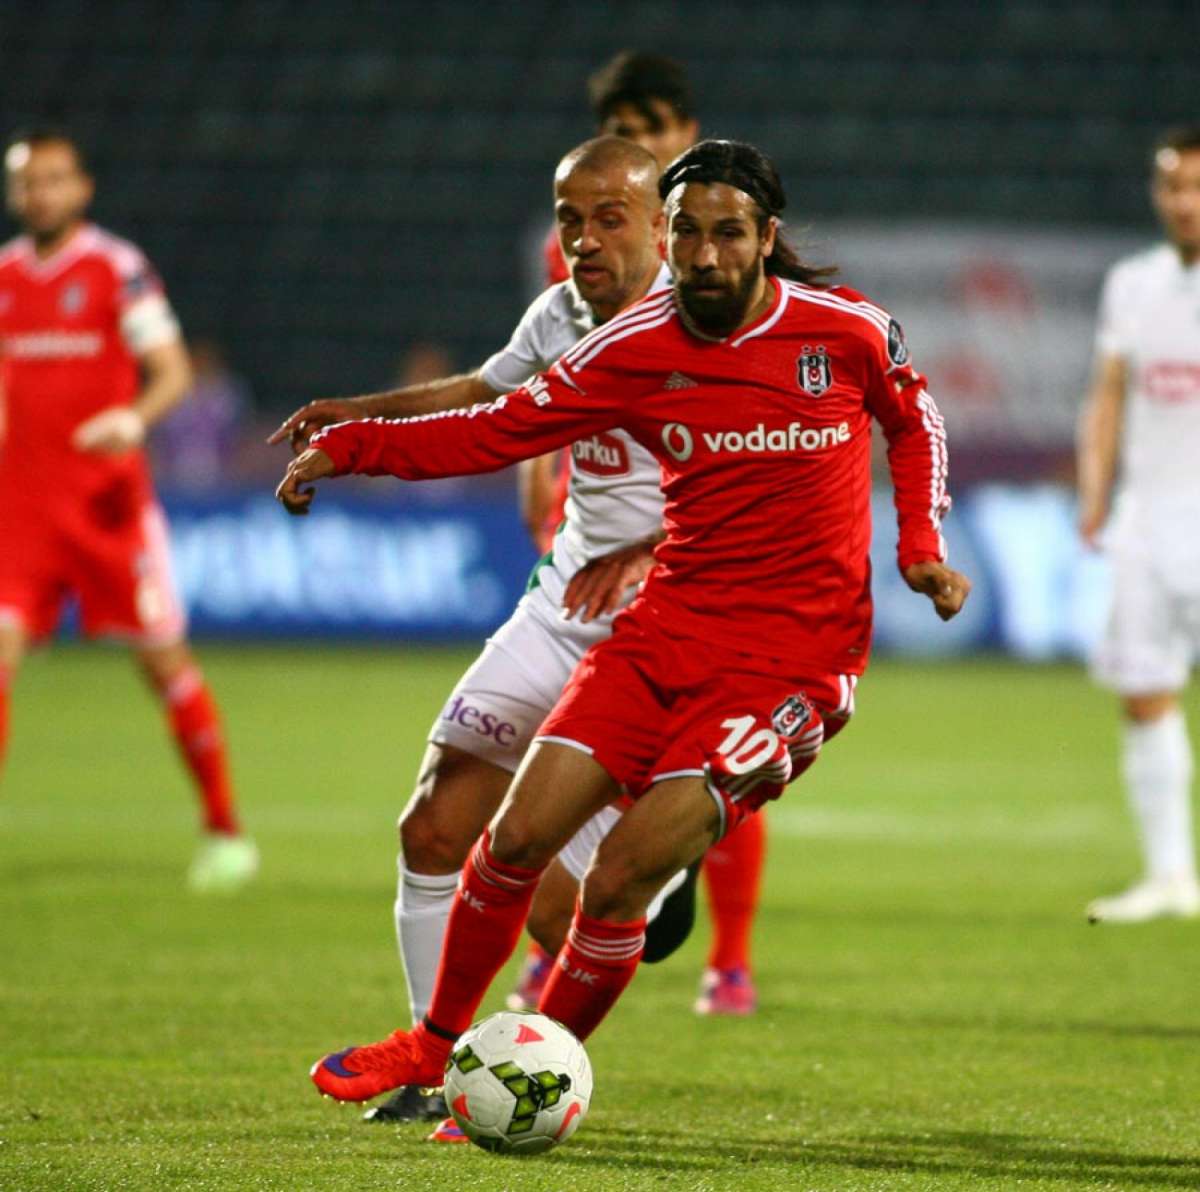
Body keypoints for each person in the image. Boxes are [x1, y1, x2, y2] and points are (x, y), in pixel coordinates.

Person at [280, 138, 970, 1103]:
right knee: (511, 843)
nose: (704, 255)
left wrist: (919, 548)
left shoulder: (845, 331)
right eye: (687, 233)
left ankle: (532, 1081)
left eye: (727, 234)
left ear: (765, 239)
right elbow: (497, 426)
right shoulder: (631, 348)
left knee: (615, 882)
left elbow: (915, 419)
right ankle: (434, 1055)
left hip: (790, 668)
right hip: (658, 636)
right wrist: (350, 447)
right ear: (668, 235)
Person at [271, 136, 698, 1129]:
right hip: (561, 609)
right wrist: (356, 419)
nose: (584, 240)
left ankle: (528, 1069)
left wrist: (656, 551)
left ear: (657, 223)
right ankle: (430, 1059)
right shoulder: (560, 314)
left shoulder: (704, 330)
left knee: (560, 906)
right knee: (431, 821)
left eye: (609, 218)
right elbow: (485, 394)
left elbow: (767, 480)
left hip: (667, 617)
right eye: (568, 219)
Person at [0, 129, 257, 892]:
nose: (41, 193)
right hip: (20, 511)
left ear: (80, 189)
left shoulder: (117, 269)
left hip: (106, 505)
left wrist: (133, 422)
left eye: (54, 179)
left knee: (163, 664)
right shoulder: (5, 276)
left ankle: (224, 830)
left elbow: (172, 371)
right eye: (28, 182)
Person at [1078, 126, 1200, 923]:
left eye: (1195, 187)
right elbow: (1109, 392)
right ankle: (1170, 877)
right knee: (1144, 692)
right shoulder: (1132, 283)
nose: (1183, 203)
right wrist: (1097, 490)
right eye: (1172, 188)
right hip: (1150, 517)